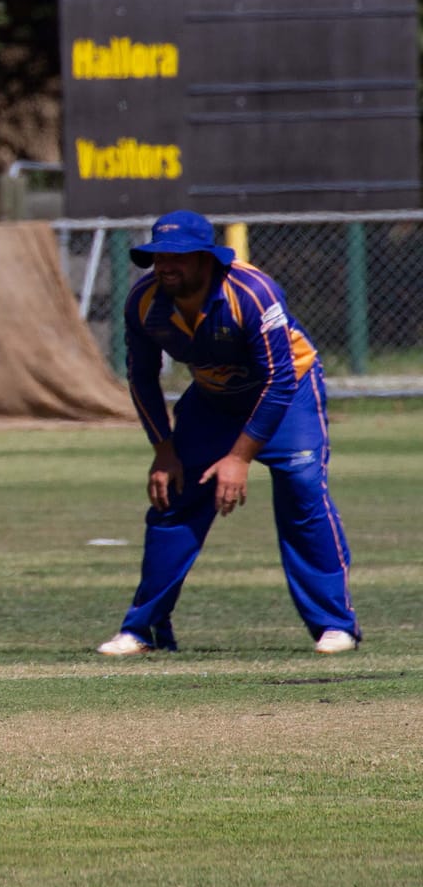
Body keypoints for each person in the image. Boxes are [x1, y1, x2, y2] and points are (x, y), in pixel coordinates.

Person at [100, 210, 359, 656]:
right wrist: (164, 451)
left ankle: (335, 625)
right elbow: (142, 377)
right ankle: (146, 630)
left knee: (301, 487)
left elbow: (278, 381)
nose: (165, 266)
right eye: (158, 256)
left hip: (288, 391)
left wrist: (238, 458)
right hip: (214, 397)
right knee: (174, 495)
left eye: (178, 257)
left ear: (206, 259)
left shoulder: (252, 293)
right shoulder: (144, 301)